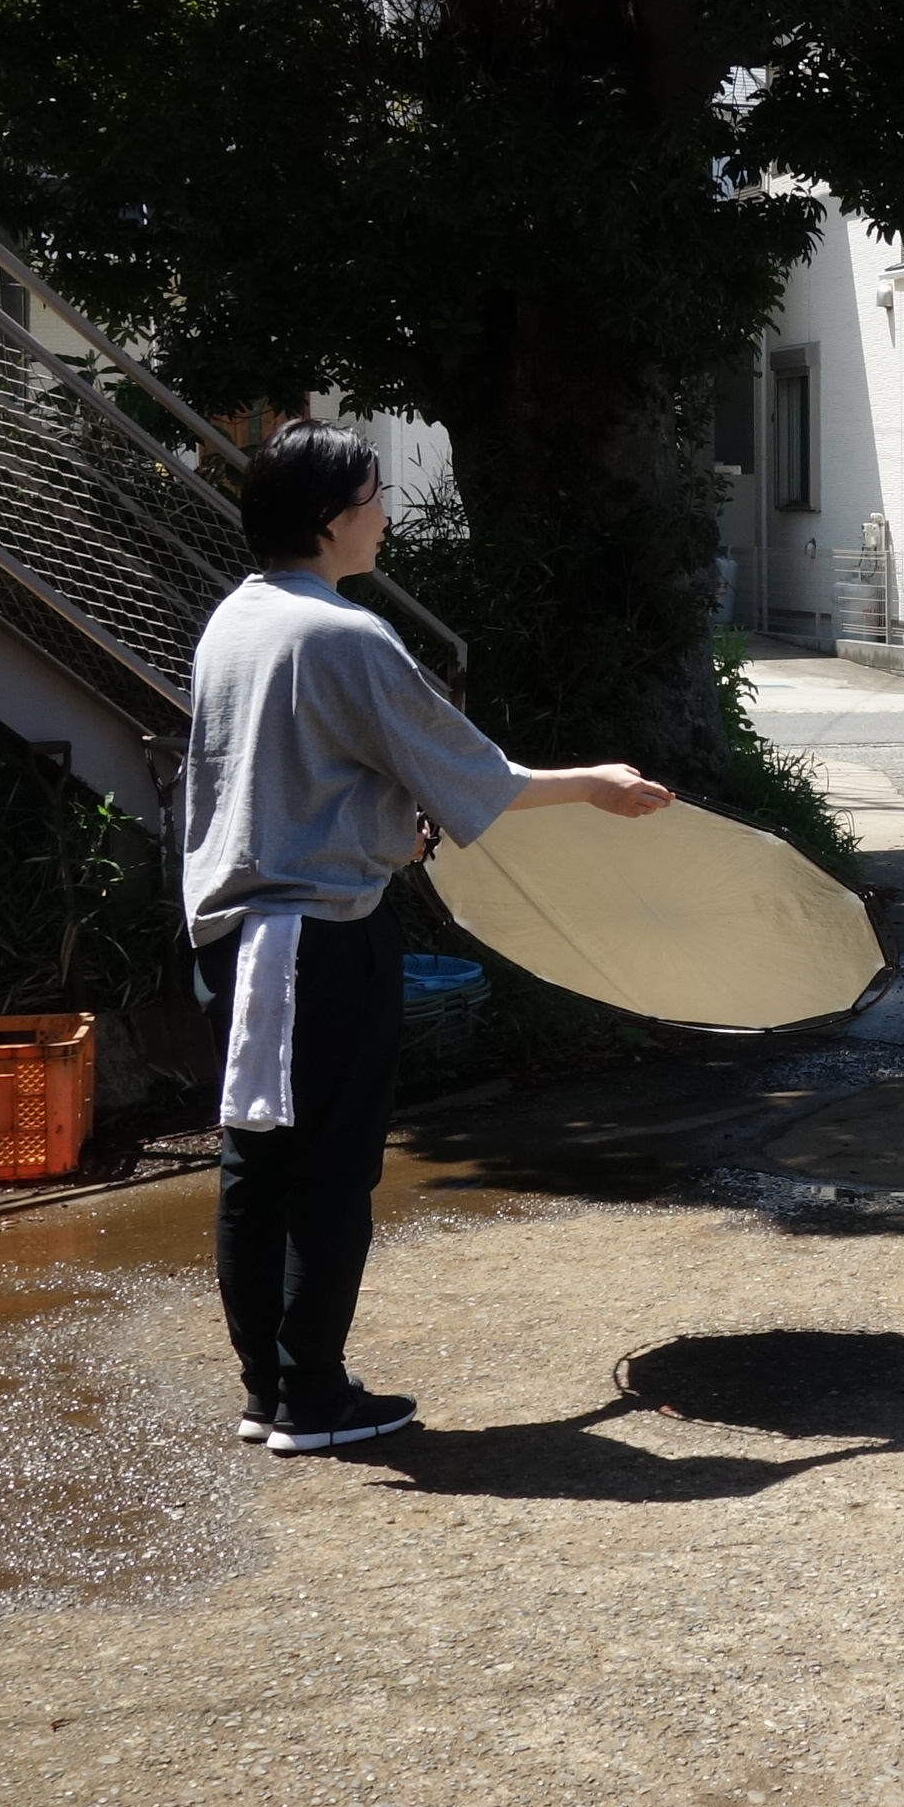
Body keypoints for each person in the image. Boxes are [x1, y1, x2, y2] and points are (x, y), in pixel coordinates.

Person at [184, 420, 672, 1455]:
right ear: (331, 517)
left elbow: (285, 783)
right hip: (317, 938)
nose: (386, 514)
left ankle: (273, 1390)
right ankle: (312, 1400)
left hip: (241, 936)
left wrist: (382, 836)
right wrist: (595, 784)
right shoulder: (341, 634)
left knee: (257, 1164)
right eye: (374, 495)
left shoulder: (238, 619)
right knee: (327, 1171)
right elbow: (476, 773)